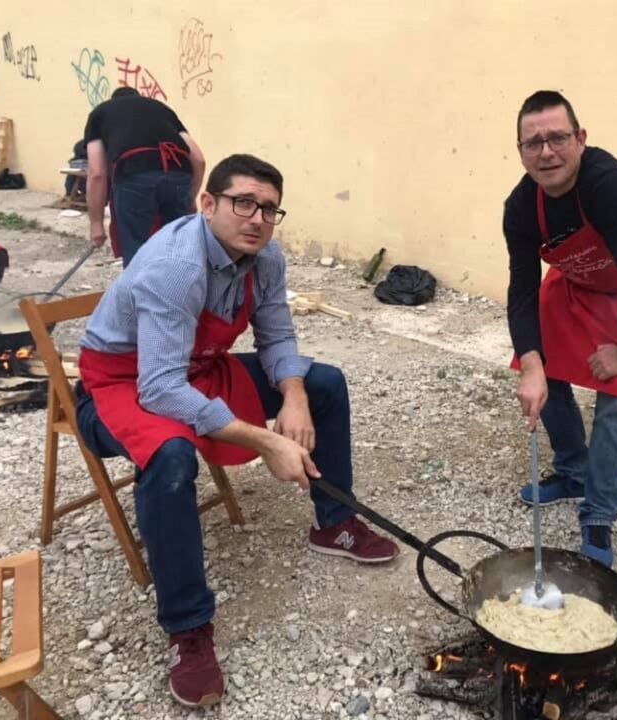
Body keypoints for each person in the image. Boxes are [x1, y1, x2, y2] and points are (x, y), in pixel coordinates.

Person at [74, 154, 399, 708]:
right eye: (243, 202)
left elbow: (277, 338)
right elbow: (158, 390)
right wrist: (265, 438)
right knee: (173, 455)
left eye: (269, 208)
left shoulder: (265, 258)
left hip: (197, 367)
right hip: (122, 383)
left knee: (324, 382)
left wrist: (293, 397)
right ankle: (188, 629)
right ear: (207, 203)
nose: (256, 218)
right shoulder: (175, 267)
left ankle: (336, 522)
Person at [503, 91, 617, 568]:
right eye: (533, 143)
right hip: (579, 278)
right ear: (520, 152)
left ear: (580, 139)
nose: (546, 152)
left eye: (558, 138)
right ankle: (573, 472)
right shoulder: (521, 207)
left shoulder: (609, 186)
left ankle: (599, 510)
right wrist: (532, 368)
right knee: (538, 363)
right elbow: (523, 291)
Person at [83, 87, 206, 266]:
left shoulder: (101, 112)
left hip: (134, 175)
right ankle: (179, 289)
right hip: (179, 173)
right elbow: (199, 160)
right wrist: (189, 198)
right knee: (178, 248)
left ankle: (140, 291)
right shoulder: (163, 109)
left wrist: (96, 224)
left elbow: (97, 173)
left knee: (137, 253)